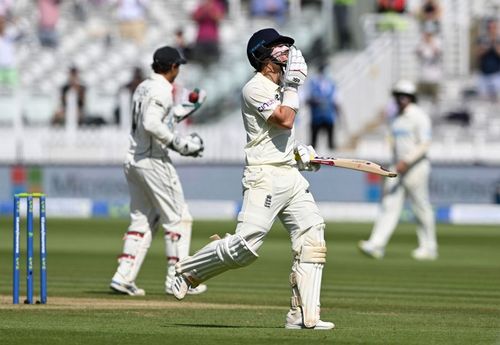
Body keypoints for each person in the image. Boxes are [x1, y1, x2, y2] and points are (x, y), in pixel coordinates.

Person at [171, 28, 334, 330]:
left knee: (313, 237)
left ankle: (302, 316)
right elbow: (284, 119)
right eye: (281, 48)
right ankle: (186, 271)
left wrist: (299, 154)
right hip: (264, 177)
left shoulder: (283, 87)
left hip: (289, 175)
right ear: (263, 55)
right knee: (245, 248)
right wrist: (295, 86)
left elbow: (279, 134)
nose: (289, 53)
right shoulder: (254, 88)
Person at [109, 46, 208, 296]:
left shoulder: (143, 86)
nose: (179, 71)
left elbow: (159, 118)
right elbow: (151, 123)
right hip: (153, 160)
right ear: (172, 67)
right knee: (179, 218)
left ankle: (123, 276)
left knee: (143, 219)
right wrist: (180, 144)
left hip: (133, 159)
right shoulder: (162, 89)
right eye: (178, 66)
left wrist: (188, 106)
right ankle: (178, 279)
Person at [358, 80, 437, 261]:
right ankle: (376, 245)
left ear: (411, 97)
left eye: (405, 96)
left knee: (421, 207)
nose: (401, 99)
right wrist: (394, 164)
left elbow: (425, 144)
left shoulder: (419, 116)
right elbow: (393, 145)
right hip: (397, 167)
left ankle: (429, 247)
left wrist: (407, 161)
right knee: (389, 205)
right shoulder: (395, 119)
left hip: (416, 167)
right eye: (398, 96)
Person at [306, 63, 341, 150]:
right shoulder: (313, 83)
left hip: (329, 117)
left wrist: (338, 116)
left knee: (331, 141)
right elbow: (306, 99)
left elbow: (336, 101)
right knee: (313, 141)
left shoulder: (332, 84)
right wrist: (314, 101)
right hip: (316, 117)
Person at [191, 0, 225, 67]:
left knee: (214, 63)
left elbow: (219, 18)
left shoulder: (217, 5)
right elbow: (195, 17)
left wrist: (210, 10)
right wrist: (204, 10)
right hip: (201, 39)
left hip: (212, 40)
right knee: (199, 62)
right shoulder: (200, 6)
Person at [475, 18, 500, 102]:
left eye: (493, 27)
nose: (491, 29)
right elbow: (478, 54)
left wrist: (495, 45)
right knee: (483, 99)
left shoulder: (498, 39)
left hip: (496, 74)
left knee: (496, 100)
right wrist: (487, 46)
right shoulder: (482, 39)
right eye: (489, 27)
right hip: (483, 74)